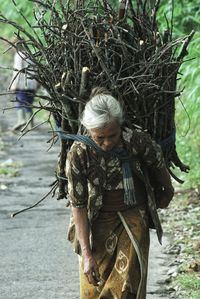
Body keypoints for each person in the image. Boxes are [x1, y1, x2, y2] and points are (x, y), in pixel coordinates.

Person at [64, 87, 174, 299]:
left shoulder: (135, 140)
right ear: (88, 131)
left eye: (112, 135)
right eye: (100, 137)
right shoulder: (79, 153)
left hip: (133, 218)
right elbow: (78, 205)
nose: (107, 143)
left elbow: (157, 162)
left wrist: (166, 190)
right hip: (96, 222)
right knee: (94, 286)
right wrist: (87, 255)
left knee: (127, 287)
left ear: (120, 126)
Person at [10, 49, 38, 131]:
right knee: (29, 103)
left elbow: (18, 70)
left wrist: (14, 84)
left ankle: (21, 120)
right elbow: (36, 70)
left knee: (20, 102)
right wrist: (37, 84)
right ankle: (30, 125)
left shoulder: (19, 55)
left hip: (22, 84)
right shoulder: (32, 54)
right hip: (32, 83)